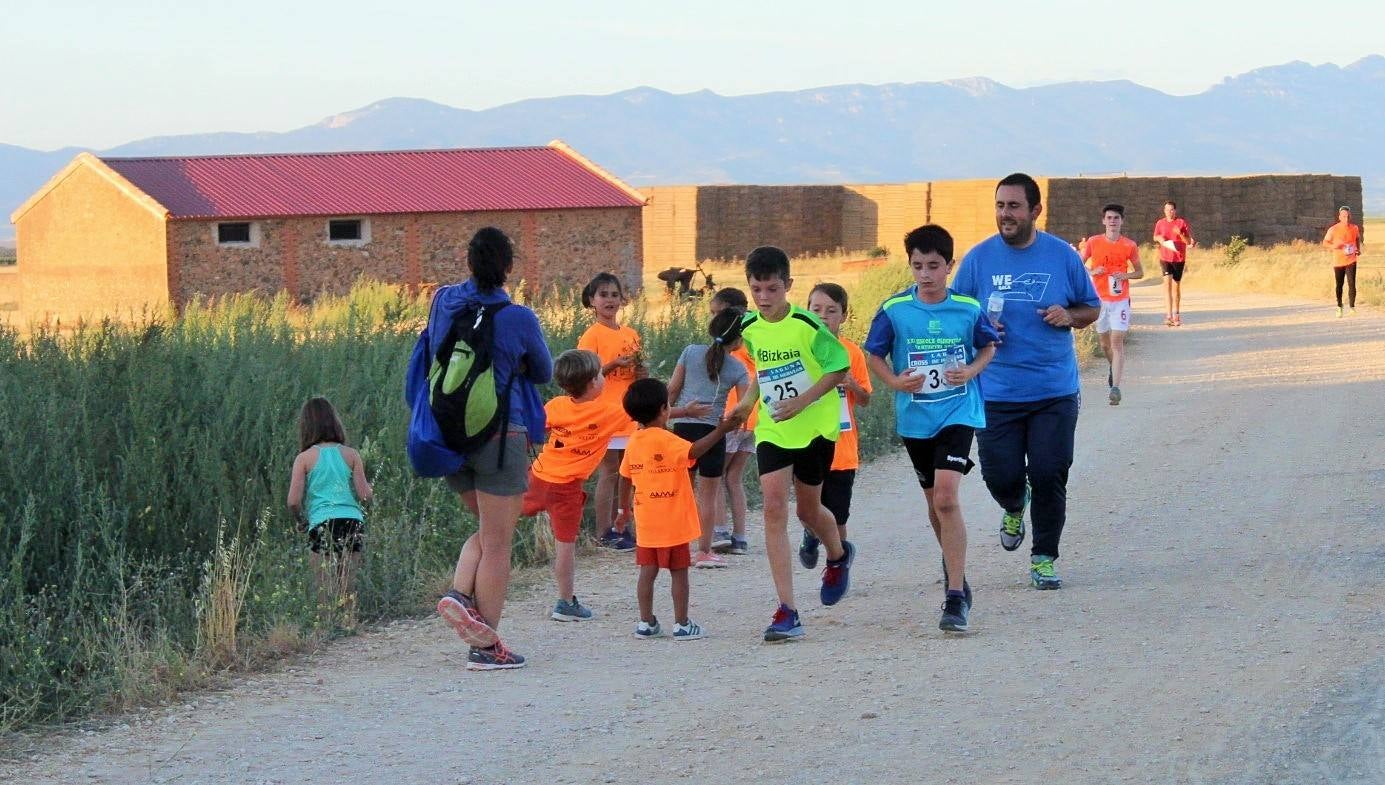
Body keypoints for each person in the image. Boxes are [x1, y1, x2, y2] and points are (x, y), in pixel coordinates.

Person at [952, 173, 1099, 590]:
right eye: (1000, 205)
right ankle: (1015, 505)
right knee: (1001, 476)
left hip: (1053, 390)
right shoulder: (979, 259)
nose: (1005, 214)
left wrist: (1068, 317)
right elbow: (957, 316)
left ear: (1035, 211)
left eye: (1014, 206)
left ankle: (1044, 558)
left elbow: (1092, 308)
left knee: (1051, 471)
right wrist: (980, 328)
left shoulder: (1062, 256)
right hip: (997, 392)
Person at [426, 227, 553, 671]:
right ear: (508, 268)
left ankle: (460, 594)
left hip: (448, 436)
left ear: (469, 262)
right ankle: (486, 646)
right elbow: (543, 370)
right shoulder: (518, 318)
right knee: (498, 543)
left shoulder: (443, 302)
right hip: (502, 435)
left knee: (486, 527)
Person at [865, 224, 998, 632]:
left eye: (934, 266)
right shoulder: (894, 310)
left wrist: (971, 370)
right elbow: (874, 354)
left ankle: (954, 597)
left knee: (945, 498)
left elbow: (988, 345)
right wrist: (894, 382)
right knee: (933, 503)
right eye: (918, 266)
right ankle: (956, 571)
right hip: (915, 418)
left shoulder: (967, 308)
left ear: (949, 267)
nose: (925, 274)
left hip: (959, 411)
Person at [731, 246, 855, 642]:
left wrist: (801, 402)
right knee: (772, 507)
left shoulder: (807, 325)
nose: (763, 298)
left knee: (807, 510)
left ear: (788, 285)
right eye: (756, 289)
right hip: (774, 427)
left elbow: (838, 369)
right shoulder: (749, 327)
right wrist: (747, 405)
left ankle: (838, 555)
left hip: (816, 428)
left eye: (771, 289)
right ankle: (788, 610)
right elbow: (763, 372)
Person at [616, 378, 744, 640]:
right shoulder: (669, 440)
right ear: (664, 409)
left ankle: (645, 622)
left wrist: (622, 511)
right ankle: (682, 623)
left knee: (647, 572)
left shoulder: (634, 442)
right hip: (673, 521)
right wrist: (721, 430)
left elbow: (625, 477)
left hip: (647, 520)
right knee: (679, 573)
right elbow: (695, 450)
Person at [521, 349, 632, 622]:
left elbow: (531, 433)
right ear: (594, 382)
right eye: (600, 374)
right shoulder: (609, 413)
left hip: (537, 476)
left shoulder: (556, 405)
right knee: (565, 546)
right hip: (567, 489)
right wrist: (683, 409)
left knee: (498, 525)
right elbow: (645, 413)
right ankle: (566, 602)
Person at [667, 308, 750, 568]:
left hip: (682, 428)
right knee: (708, 495)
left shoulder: (690, 352)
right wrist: (733, 425)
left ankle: (673, 547)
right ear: (739, 341)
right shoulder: (738, 369)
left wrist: (664, 418)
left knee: (681, 492)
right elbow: (742, 410)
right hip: (713, 433)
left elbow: (671, 390)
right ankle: (703, 551)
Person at [798, 283, 872, 568]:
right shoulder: (800, 350)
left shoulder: (852, 353)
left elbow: (865, 399)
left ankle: (836, 566)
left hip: (842, 448)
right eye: (816, 310)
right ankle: (810, 533)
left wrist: (851, 383)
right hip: (806, 442)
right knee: (807, 511)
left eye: (831, 311)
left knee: (839, 516)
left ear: (843, 315)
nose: (823, 316)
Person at [286, 396, 373, 624]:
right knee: (348, 581)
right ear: (335, 422)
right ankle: (350, 626)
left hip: (322, 522)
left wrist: (301, 520)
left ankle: (326, 629)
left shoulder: (304, 458)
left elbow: (293, 500)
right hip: (352, 519)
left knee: (323, 583)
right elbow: (365, 495)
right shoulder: (351, 454)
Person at [578, 273, 644, 551]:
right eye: (603, 295)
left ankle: (622, 526)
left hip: (628, 413)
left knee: (627, 473)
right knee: (609, 470)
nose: (610, 300)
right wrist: (611, 365)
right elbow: (582, 374)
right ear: (592, 300)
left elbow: (636, 376)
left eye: (614, 295)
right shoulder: (592, 335)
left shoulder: (631, 334)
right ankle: (603, 531)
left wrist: (642, 372)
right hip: (603, 412)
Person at [1081, 203, 1144, 405]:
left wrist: (1124, 275)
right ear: (1103, 221)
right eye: (1109, 218)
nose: (1112, 221)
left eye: (1116, 218)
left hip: (1120, 301)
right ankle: (1113, 367)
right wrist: (1092, 272)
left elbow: (1139, 272)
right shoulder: (1093, 242)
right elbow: (1078, 265)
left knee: (1117, 342)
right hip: (1099, 300)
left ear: (1122, 221)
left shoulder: (1129, 245)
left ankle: (1115, 388)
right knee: (1104, 344)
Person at [710, 287, 755, 556]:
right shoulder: (758, 334)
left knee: (714, 476)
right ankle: (740, 536)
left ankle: (719, 531)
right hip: (754, 417)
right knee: (734, 478)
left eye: (716, 313)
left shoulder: (732, 344)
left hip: (730, 415)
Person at [1153, 200, 1195, 327]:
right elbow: (1155, 236)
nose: (1169, 212)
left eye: (1171, 210)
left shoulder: (1181, 222)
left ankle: (1176, 315)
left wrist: (1180, 234)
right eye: (1167, 210)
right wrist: (1160, 239)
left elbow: (1188, 242)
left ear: (1175, 211)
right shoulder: (1160, 223)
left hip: (1178, 258)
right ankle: (1168, 316)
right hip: (1165, 257)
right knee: (1167, 285)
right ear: (1164, 211)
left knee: (1176, 287)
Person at [1322, 205, 1363, 317]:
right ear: (1339, 217)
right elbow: (1325, 243)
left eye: (1348, 216)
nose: (1346, 218)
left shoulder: (1354, 228)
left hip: (1351, 260)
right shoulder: (1333, 229)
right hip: (1338, 261)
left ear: (1351, 216)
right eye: (1344, 216)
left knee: (1352, 284)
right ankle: (1339, 306)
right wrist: (1335, 246)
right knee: (1339, 285)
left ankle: (1352, 308)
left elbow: (1357, 238)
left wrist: (1358, 249)